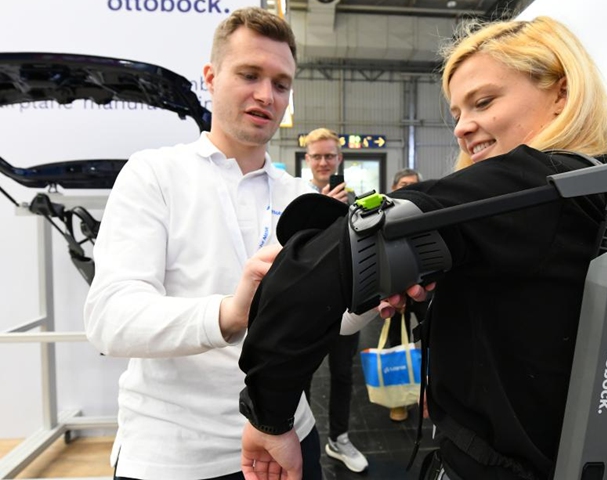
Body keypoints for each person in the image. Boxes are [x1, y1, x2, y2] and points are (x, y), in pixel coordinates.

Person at [237, 17, 607, 480]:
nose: (463, 127)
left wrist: (269, 415)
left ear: (561, 94)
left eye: (483, 102)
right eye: (457, 112)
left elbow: (328, 259)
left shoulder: (521, 185)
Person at [84, 7, 372, 479]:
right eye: (250, 75)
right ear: (211, 78)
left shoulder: (300, 197)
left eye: (281, 84)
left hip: (288, 436)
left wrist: (372, 291)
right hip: (174, 457)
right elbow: (110, 319)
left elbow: (335, 321)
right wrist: (229, 312)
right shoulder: (154, 174)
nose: (266, 95)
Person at [302, 127, 369, 472]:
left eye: (330, 155)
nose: (324, 162)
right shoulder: (296, 199)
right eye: (318, 156)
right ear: (308, 160)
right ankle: (302, 436)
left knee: (343, 373)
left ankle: (338, 438)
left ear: (339, 159)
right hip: (306, 305)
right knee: (302, 374)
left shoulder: (357, 200)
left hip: (345, 303)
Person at [385, 168, 428, 423]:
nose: (408, 187)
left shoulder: (424, 213)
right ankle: (399, 401)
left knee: (431, 339)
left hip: (425, 290)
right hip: (395, 292)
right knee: (396, 346)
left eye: (414, 184)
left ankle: (427, 394)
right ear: (394, 186)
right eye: (403, 184)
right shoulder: (384, 215)